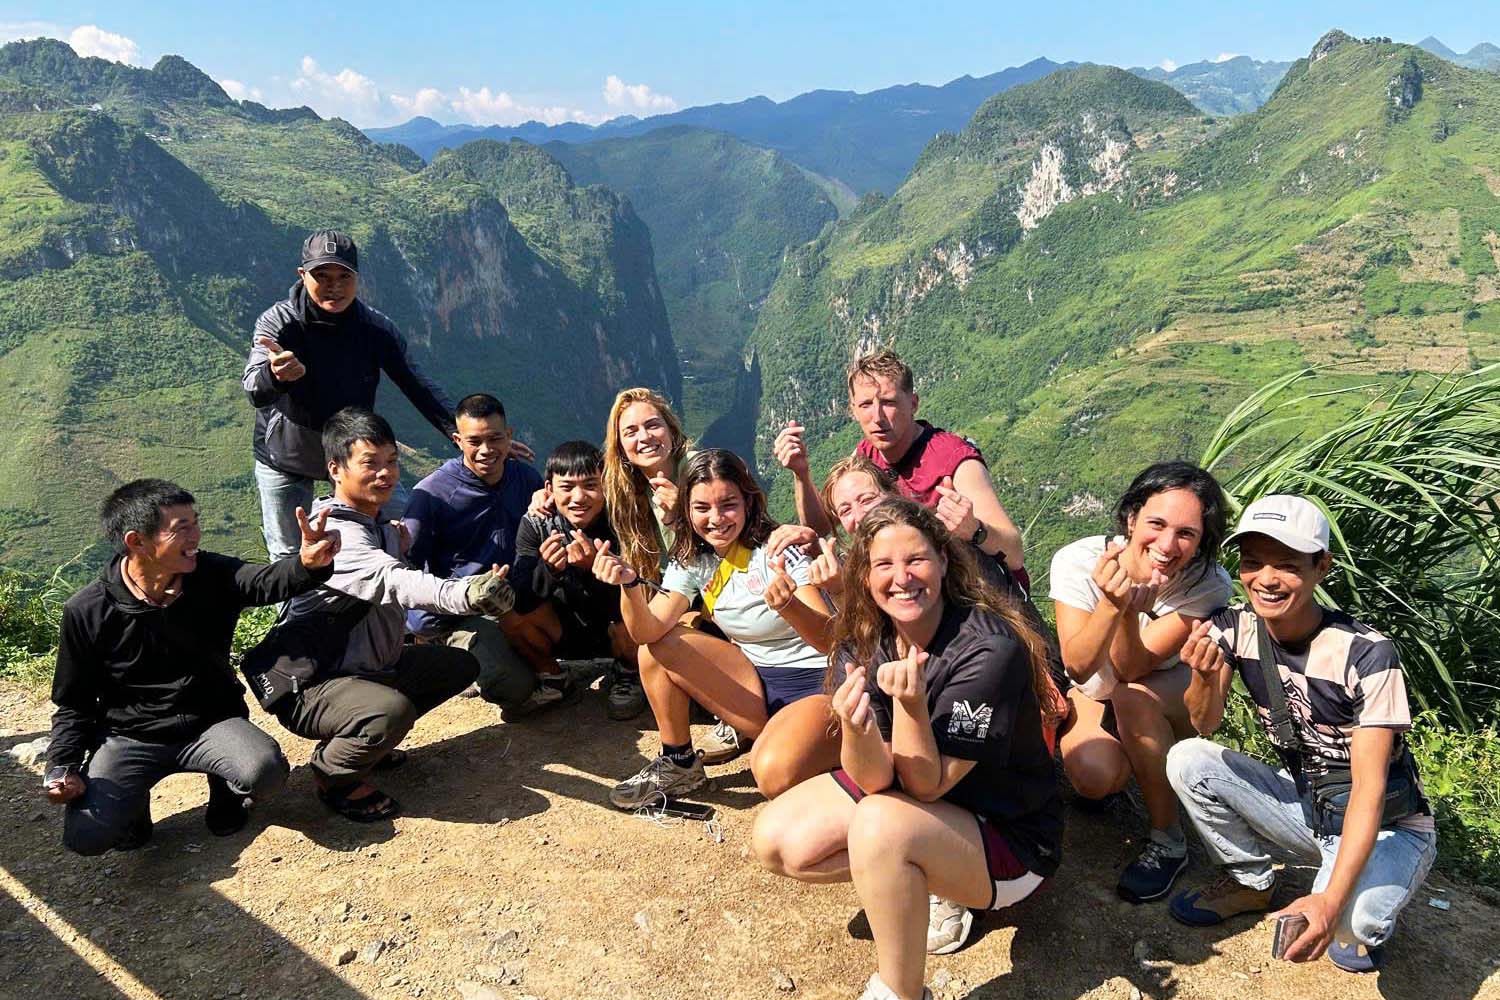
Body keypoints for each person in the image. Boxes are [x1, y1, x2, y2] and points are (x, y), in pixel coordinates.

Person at [751, 499, 1063, 1000]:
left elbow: (925, 785)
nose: (902, 578)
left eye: (916, 559)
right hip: (922, 805)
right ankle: (916, 873)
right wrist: (856, 729)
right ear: (864, 575)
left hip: (1011, 838)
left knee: (878, 826)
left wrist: (911, 706)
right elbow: (875, 778)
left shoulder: (988, 650)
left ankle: (900, 990)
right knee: (777, 840)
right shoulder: (866, 635)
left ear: (943, 560)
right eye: (883, 564)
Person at [1168, 495, 1436, 974]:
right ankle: (1251, 883)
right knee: (1189, 758)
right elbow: (1204, 723)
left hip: (1386, 825)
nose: (1266, 579)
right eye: (1253, 562)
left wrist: (1330, 902)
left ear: (1321, 568)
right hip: (1310, 806)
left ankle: (1357, 907)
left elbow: (1370, 790)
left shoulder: (1367, 654)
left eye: (1288, 566)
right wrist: (1204, 678)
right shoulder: (1233, 628)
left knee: (1349, 926)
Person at [242, 408, 512, 822]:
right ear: (336, 469)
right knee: (390, 711)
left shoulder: (380, 524)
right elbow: (395, 581)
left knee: (457, 666)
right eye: (370, 463)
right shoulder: (336, 536)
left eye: (391, 461)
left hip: (366, 669)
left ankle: (368, 740)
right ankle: (334, 775)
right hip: (311, 686)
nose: (385, 473)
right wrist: (467, 594)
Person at [44, 479, 339, 854]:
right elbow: (75, 701)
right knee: (87, 837)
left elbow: (264, 581)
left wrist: (308, 565)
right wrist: (62, 766)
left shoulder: (210, 575)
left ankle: (226, 792)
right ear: (137, 542)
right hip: (131, 736)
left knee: (264, 771)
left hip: (211, 721)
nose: (195, 535)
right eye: (181, 528)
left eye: (195, 522)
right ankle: (133, 809)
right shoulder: (88, 611)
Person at [242, 230, 530, 562]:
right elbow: (253, 389)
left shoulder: (375, 329)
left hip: (357, 453)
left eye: (344, 276)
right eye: (322, 276)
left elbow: (418, 386)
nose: (334, 286)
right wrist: (275, 376)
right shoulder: (279, 322)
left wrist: (472, 441)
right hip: (286, 455)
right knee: (290, 555)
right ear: (302, 275)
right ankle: (303, 597)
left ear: (358, 279)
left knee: (404, 535)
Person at [591, 449, 840, 806]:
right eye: (702, 507)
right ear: (687, 510)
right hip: (758, 682)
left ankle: (843, 757)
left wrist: (790, 606)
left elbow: (830, 641)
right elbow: (647, 631)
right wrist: (629, 585)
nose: (716, 519)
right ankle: (679, 763)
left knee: (772, 774)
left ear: (748, 502)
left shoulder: (778, 550)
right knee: (658, 648)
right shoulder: (694, 560)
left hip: (818, 684)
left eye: (728, 505)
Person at [1048, 461, 1231, 904]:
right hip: (1096, 690)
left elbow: (1133, 669)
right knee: (1093, 777)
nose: (1167, 546)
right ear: (1131, 519)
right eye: (1157, 524)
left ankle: (1169, 840)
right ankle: (1135, 762)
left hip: (1162, 688)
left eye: (1186, 534)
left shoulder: (1207, 585)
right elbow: (1079, 667)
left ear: (1201, 541)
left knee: (1131, 696)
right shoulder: (1078, 561)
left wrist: (1128, 611)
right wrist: (1112, 605)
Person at [773, 349, 1027, 587]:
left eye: (889, 402)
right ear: (853, 410)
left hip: (983, 598)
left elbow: (1015, 553)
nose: (877, 417)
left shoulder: (955, 461)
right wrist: (801, 473)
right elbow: (822, 527)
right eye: (866, 405)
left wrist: (975, 529)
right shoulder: (865, 456)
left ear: (913, 403)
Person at [598, 387, 741, 761]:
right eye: (631, 431)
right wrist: (541, 506)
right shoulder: (626, 487)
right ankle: (679, 755)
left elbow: (735, 547)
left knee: (668, 637)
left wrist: (683, 516)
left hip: (730, 589)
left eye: (653, 425)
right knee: (646, 637)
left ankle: (735, 714)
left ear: (672, 431)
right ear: (620, 445)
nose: (644, 437)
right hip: (682, 586)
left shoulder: (701, 472)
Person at [401, 393, 555, 721]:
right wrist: (425, 621)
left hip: (517, 596)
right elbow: (407, 567)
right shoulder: (432, 495)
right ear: (458, 441)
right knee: (514, 687)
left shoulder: (525, 479)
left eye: (495, 438)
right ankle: (444, 650)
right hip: (460, 611)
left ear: (509, 436)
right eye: (474, 441)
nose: (486, 450)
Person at [508, 440, 645, 720]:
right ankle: (553, 677)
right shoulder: (536, 524)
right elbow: (520, 599)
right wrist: (548, 571)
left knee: (636, 609)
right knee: (508, 613)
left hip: (615, 629)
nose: (579, 497)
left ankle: (629, 671)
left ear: (606, 485)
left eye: (590, 485)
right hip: (564, 628)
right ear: (549, 490)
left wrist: (596, 569)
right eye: (567, 487)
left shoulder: (623, 522)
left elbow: (645, 592)